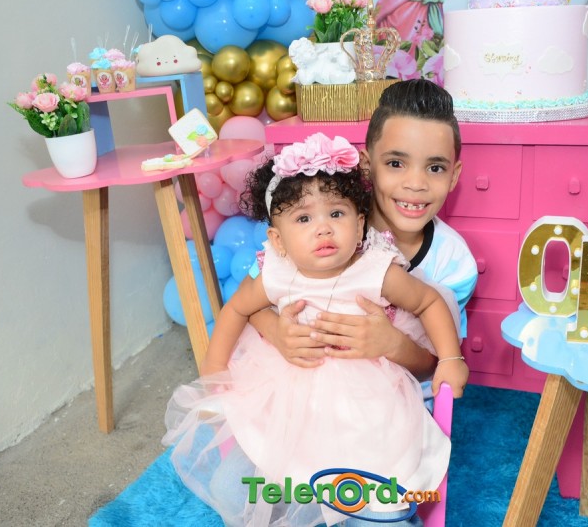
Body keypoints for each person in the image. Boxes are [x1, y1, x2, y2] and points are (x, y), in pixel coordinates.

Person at [163, 133, 468, 526]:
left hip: (365, 401)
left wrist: (451, 357)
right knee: (246, 481)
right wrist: (214, 367)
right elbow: (237, 308)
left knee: (378, 496)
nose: (323, 229)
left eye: (336, 215)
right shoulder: (276, 272)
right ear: (278, 240)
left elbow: (428, 302)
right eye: (304, 219)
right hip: (291, 394)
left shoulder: (375, 270)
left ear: (360, 224)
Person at [248, 79, 477, 395]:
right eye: (396, 163)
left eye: (435, 168)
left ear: (454, 176)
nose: (415, 183)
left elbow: (439, 367)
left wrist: (394, 345)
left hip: (399, 401)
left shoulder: (455, 262)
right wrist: (277, 332)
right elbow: (251, 302)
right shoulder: (326, 226)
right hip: (306, 389)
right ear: (367, 165)